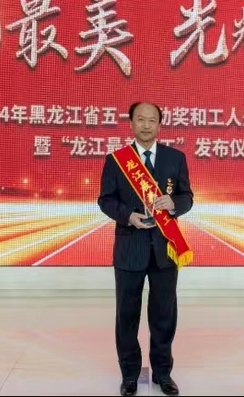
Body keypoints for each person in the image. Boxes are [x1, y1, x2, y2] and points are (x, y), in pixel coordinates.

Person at [97, 102, 193, 396]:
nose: (146, 125)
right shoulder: (116, 160)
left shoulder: (175, 158)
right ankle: (129, 376)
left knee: (164, 315)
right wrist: (128, 216)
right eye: (141, 119)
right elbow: (105, 200)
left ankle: (163, 374)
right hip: (130, 247)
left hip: (165, 249)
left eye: (152, 120)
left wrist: (174, 204)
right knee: (127, 315)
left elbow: (187, 197)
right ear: (131, 123)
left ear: (160, 125)